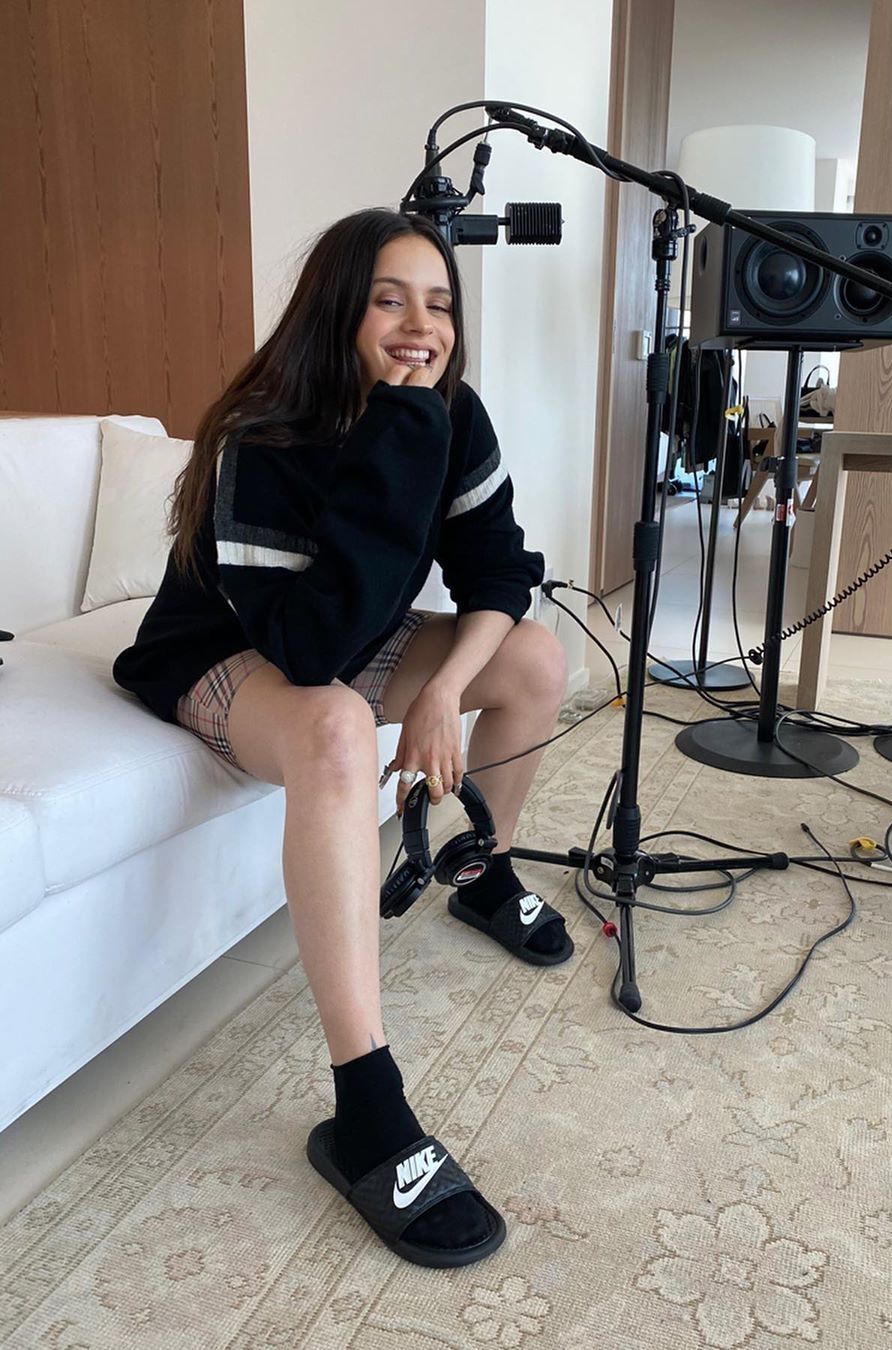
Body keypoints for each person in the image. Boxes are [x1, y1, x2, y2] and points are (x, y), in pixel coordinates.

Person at [113, 208, 570, 1267]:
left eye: (440, 304)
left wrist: (443, 688)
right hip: (227, 649)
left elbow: (499, 572)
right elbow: (309, 652)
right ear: (338, 311)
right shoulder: (266, 431)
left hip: (342, 631)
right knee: (330, 724)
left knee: (536, 659)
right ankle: (365, 1101)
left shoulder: (452, 412)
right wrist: (399, 434)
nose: (423, 326)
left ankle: (485, 872)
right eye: (390, 300)